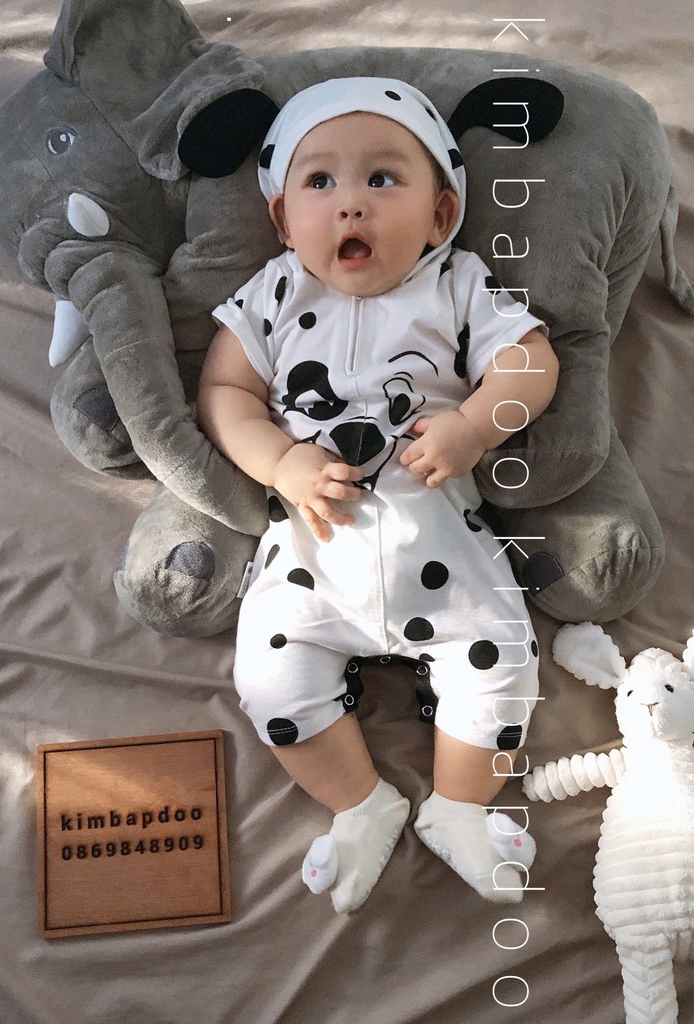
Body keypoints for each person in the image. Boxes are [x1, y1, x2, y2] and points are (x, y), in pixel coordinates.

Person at [197, 77, 558, 914]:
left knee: (506, 660)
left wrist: (473, 427)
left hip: (444, 548)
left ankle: (460, 806)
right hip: (313, 558)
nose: (350, 203)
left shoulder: (457, 282)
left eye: (383, 178)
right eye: (320, 181)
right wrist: (281, 462)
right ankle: (360, 804)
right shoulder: (275, 292)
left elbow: (531, 362)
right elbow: (223, 394)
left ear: (441, 215)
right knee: (270, 682)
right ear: (284, 219)